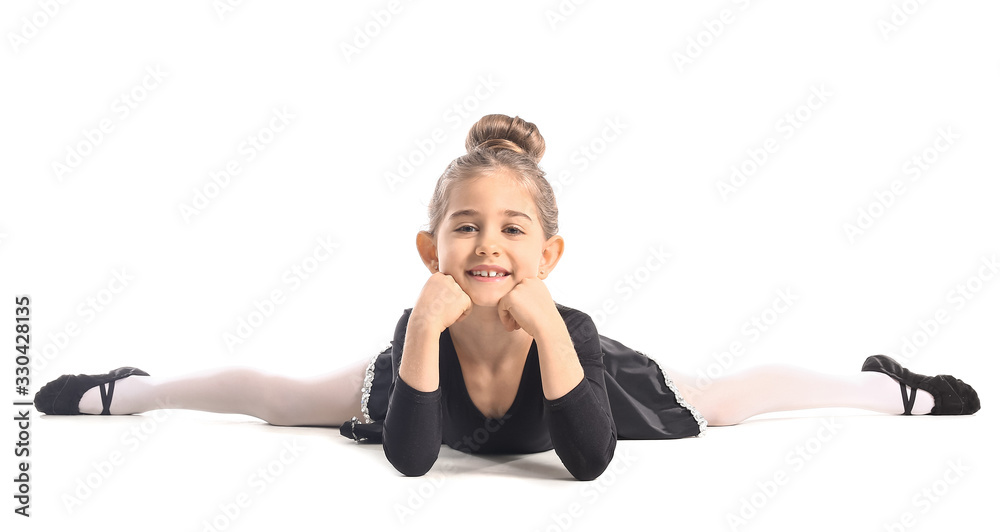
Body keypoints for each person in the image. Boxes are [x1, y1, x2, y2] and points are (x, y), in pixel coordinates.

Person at [34, 114, 981, 481]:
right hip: (429, 380)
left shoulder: (568, 324)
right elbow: (411, 460)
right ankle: (135, 389)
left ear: (549, 251)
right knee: (282, 400)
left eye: (513, 229)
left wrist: (553, 339)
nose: (489, 244)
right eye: (466, 227)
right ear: (430, 246)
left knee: (730, 397)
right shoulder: (423, 322)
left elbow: (589, 462)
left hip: (575, 384)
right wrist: (417, 341)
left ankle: (889, 389)